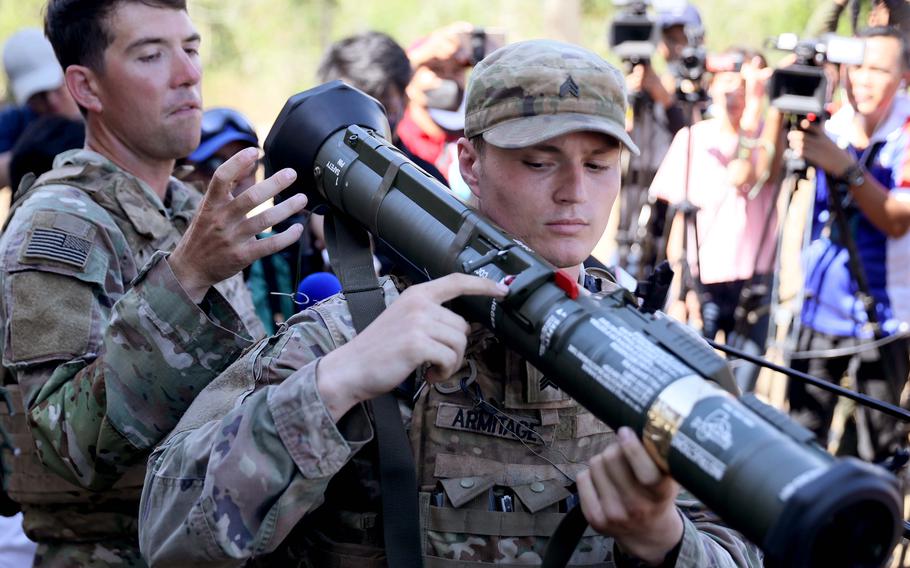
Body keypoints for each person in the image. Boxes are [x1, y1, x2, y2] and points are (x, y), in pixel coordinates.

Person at [139, 39, 762, 567]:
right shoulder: (358, 333)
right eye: (539, 161)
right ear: (470, 161)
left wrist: (664, 538)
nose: (575, 193)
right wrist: (336, 385)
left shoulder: (648, 355)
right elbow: (166, 531)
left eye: (598, 165)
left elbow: (742, 544)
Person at [0, 0, 307, 565]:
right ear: (86, 88)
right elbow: (69, 445)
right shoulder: (60, 223)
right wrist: (185, 275)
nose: (188, 73)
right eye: (151, 54)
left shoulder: (190, 209)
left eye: (190, 48)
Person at [786, 26, 910, 461]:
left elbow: (898, 220)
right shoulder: (829, 121)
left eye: (878, 69)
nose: (863, 79)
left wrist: (847, 169)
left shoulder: (906, 132)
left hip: (885, 316)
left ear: (904, 78)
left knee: (880, 448)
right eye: (856, 65)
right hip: (820, 306)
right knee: (800, 437)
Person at [649, 50, 783, 393]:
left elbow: (746, 174)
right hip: (702, 279)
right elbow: (679, 218)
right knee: (694, 386)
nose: (734, 92)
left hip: (753, 281)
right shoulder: (693, 138)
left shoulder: (769, 138)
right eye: (726, 81)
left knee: (742, 391)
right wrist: (679, 286)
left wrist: (761, 108)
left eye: (743, 85)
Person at [0, 28, 81, 190]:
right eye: (38, 95)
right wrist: (26, 159)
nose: (51, 101)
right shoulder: (17, 122)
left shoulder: (102, 111)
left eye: (57, 87)